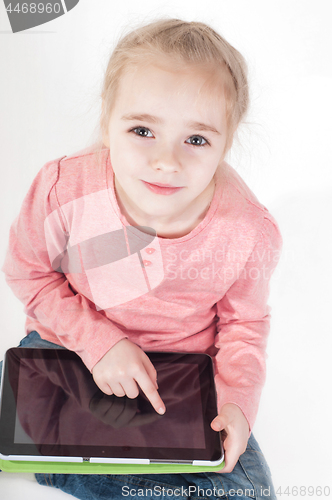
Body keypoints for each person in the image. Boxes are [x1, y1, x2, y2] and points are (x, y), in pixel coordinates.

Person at [1, 18, 282, 500]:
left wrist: (237, 403)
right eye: (142, 130)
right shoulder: (62, 188)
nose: (167, 161)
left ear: (225, 143)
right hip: (70, 348)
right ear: (108, 122)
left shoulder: (248, 230)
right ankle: (61, 460)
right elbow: (29, 272)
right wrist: (100, 343)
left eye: (196, 140)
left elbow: (245, 325)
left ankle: (72, 460)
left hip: (182, 370)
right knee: (33, 424)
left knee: (247, 491)